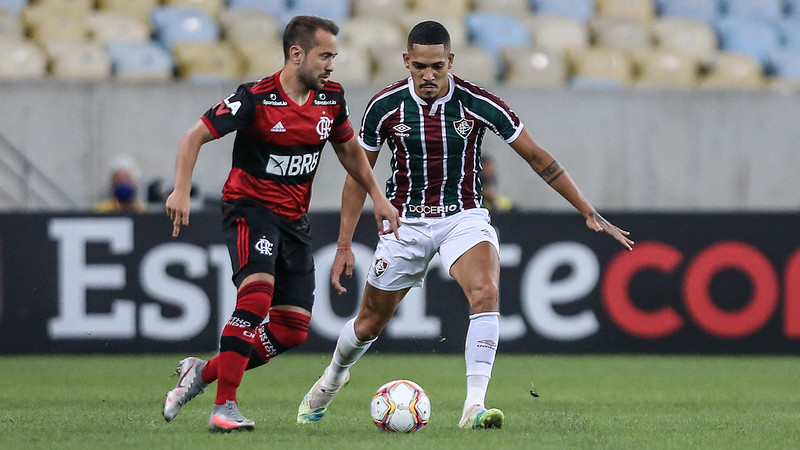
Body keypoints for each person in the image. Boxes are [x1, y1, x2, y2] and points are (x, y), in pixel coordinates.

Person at [296, 21, 634, 430]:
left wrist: (586, 209)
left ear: (451, 61)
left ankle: (474, 406)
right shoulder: (384, 106)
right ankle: (332, 378)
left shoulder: (478, 102)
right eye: (420, 66)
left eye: (437, 66)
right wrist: (344, 244)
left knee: (486, 291)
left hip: (463, 216)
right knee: (369, 323)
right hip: (405, 223)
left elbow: (536, 156)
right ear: (406, 61)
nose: (428, 75)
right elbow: (357, 177)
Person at [161, 15, 400, 433]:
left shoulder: (331, 99)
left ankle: (201, 373)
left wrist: (378, 196)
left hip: (294, 221)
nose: (331, 65)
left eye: (334, 57)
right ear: (296, 54)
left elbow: (349, 150)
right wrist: (181, 189)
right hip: (250, 209)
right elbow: (192, 136)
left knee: (291, 330)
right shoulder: (255, 99)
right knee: (256, 299)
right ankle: (224, 407)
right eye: (325, 56)